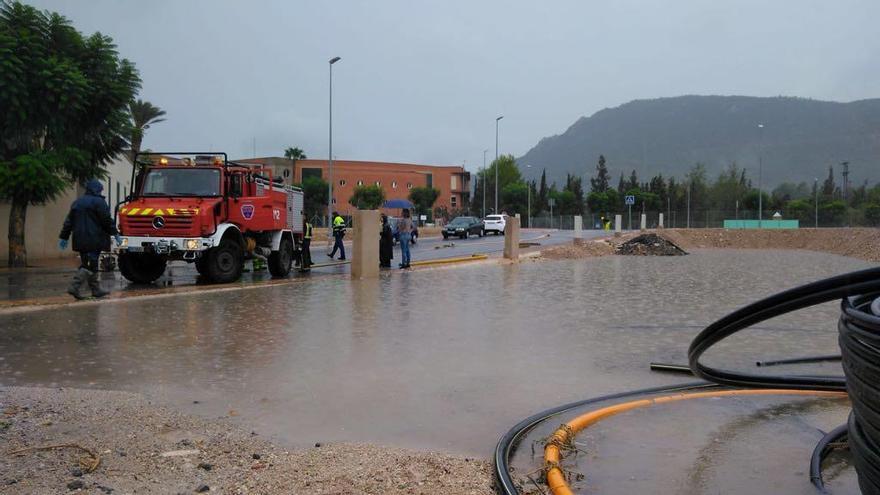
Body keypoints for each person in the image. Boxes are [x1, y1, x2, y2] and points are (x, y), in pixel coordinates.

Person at [59, 179, 122, 299]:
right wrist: (115, 233)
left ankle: (95, 289)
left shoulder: (77, 203)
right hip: (94, 239)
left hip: (80, 240)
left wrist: (64, 237)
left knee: (89, 263)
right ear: (96, 189)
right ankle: (74, 286)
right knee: (88, 265)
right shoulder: (99, 202)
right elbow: (107, 220)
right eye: (100, 189)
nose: (101, 191)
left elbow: (69, 222)